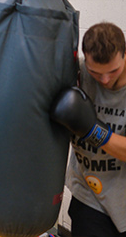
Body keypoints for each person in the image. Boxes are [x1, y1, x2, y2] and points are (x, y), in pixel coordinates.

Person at [51, 22, 126, 236]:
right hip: (88, 194)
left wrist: (93, 131)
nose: (104, 79)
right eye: (95, 72)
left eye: (113, 71)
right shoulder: (77, 72)